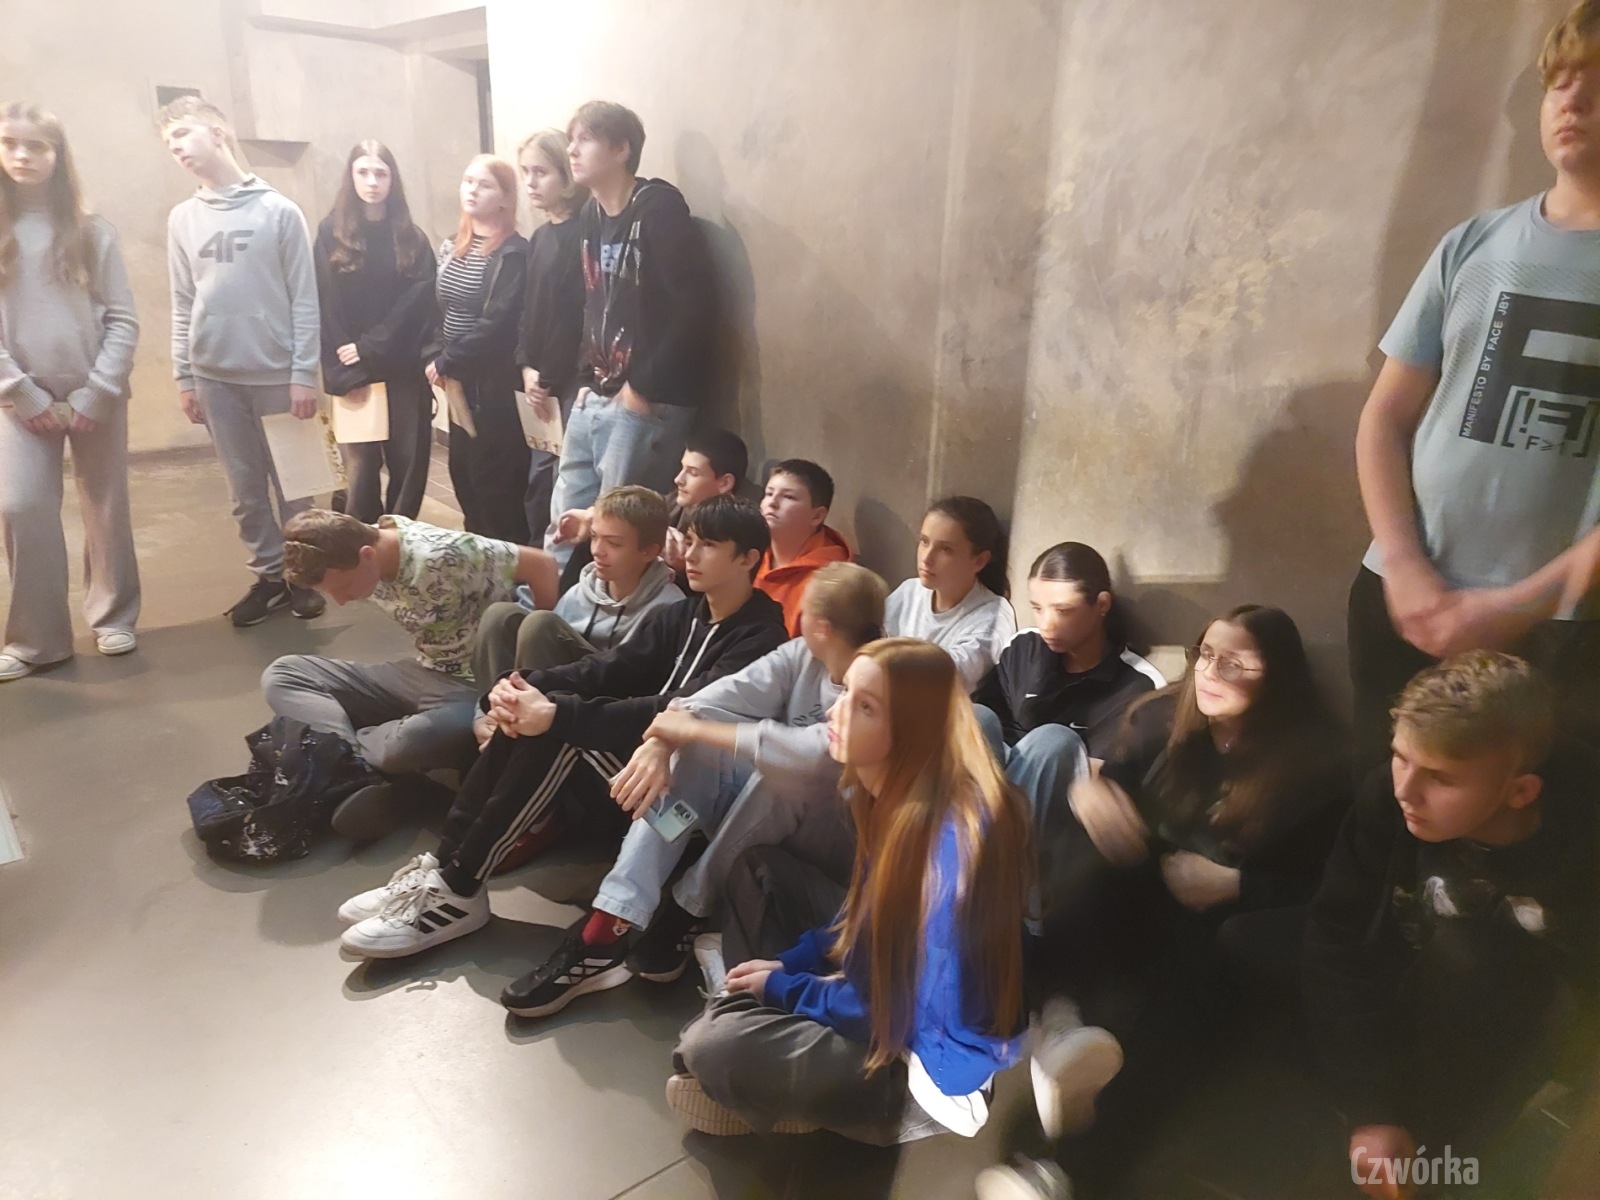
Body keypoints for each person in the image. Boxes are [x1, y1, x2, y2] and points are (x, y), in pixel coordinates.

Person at [979, 605, 1350, 1200]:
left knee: (1182, 1001)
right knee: (1093, 864)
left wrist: (1238, 885)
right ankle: (1059, 1023)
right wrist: (1094, 794)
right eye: (1206, 654)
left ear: (1277, 676)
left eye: (1235, 663)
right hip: (1148, 894)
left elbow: (1333, 892)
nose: (1211, 672)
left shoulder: (1315, 768)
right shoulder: (1164, 719)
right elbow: (1119, 790)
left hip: (1226, 923)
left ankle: (1066, 1168)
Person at [335, 495, 788, 959]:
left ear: (748, 558)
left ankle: (460, 886)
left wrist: (556, 713)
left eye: (708, 545)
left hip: (688, 812)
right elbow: (611, 669)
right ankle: (444, 865)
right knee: (531, 718)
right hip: (641, 776)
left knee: (555, 730)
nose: (690, 555)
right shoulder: (684, 615)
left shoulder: (763, 638)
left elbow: (682, 708)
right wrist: (520, 684)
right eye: (688, 541)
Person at [1348, 0, 1600, 765]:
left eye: (1598, 83)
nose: (1571, 101)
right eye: (1560, 81)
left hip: (1560, 630)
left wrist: (1520, 607)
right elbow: (1385, 419)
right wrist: (1406, 570)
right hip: (1402, 597)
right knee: (1386, 811)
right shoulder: (1474, 243)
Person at [666, 638, 1031, 1146]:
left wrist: (784, 988)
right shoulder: (894, 794)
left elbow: (884, 1013)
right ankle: (761, 1049)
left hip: (917, 1062)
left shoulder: (946, 853)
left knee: (710, 1045)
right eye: (845, 694)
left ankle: (777, 1064)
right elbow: (860, 922)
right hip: (874, 986)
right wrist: (789, 964)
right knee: (758, 870)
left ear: (909, 729)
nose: (835, 712)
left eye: (865, 706)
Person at [499, 562, 888, 1019]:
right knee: (697, 755)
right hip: (762, 819)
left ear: (819, 625)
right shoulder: (802, 655)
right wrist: (665, 740)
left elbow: (815, 757)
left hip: (836, 843)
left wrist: (689, 729)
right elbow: (722, 695)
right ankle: (612, 921)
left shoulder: (879, 679)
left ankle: (687, 910)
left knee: (778, 774)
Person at [1304, 652, 1598, 1199]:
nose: (1405, 790)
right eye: (1400, 758)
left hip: (1523, 1031)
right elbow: (1335, 933)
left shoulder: (1585, 839)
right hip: (1401, 995)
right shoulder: (1388, 796)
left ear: (1520, 792)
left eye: (1440, 778)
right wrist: (1371, 1105)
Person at [262, 509, 560, 841]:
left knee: (406, 745)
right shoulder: (357, 544)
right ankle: (358, 767)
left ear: (367, 555)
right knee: (284, 674)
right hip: (424, 670)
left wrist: (533, 669)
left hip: (478, 687)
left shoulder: (445, 553)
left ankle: (338, 752)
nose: (341, 602)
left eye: (343, 587)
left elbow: (542, 564)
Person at [159, 96, 325, 627]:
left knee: (296, 486)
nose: (176, 147)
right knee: (245, 491)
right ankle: (270, 577)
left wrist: (304, 373)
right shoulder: (183, 219)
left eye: (183, 134)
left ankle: (303, 576)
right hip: (215, 376)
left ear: (218, 133)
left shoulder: (279, 212)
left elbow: (304, 300)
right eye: (168, 142)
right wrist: (185, 375)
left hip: (277, 374)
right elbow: (183, 300)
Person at [0, 102, 139, 683]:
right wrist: (19, 392)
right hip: (18, 399)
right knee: (22, 506)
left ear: (58, 156)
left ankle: (113, 614)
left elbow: (123, 319)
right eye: (10, 144)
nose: (22, 156)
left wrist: (99, 391)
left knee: (105, 505)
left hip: (94, 393)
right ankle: (37, 639)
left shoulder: (91, 231)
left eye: (37, 146)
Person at [544, 100, 715, 568]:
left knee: (618, 529)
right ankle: (548, 603)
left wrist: (642, 386)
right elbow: (593, 301)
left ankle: (605, 610)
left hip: (647, 398)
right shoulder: (591, 215)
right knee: (565, 520)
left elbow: (693, 308)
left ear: (621, 149)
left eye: (584, 139)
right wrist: (584, 377)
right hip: (597, 391)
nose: (572, 150)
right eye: (571, 139)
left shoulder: (657, 209)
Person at [972, 542, 1164, 843]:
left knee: (1053, 741)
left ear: (1101, 605)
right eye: (1037, 608)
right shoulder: (1024, 647)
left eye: (1063, 610)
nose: (1046, 624)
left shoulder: (1137, 684)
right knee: (976, 716)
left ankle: (994, 854)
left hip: (1052, 817)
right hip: (989, 789)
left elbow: (1097, 782)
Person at [314, 140, 436, 524]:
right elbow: (326, 305)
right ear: (350, 178)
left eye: (380, 173)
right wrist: (345, 371)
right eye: (363, 172)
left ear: (392, 179)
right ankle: (362, 543)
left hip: (402, 368)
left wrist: (371, 345)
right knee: (360, 471)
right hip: (353, 369)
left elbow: (417, 303)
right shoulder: (330, 233)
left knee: (408, 464)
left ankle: (398, 540)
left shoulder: (413, 238)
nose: (372, 182)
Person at [472, 485, 683, 686]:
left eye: (613, 543)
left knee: (540, 624)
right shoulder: (582, 589)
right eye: (594, 537)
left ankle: (527, 708)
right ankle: (492, 706)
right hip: (568, 680)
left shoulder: (668, 608)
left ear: (649, 552)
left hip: (604, 696)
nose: (597, 551)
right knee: (500, 615)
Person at [426, 154, 530, 543]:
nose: (472, 190)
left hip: (491, 384)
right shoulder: (452, 245)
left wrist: (448, 359)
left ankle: (505, 561)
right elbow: (439, 308)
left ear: (504, 197)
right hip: (457, 381)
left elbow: (497, 323)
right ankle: (476, 555)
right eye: (468, 181)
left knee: (494, 484)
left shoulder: (514, 252)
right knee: (463, 475)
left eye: (484, 185)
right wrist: (436, 354)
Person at [552, 426, 749, 588]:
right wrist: (591, 517)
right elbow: (631, 512)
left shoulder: (735, 524)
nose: (678, 479)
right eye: (682, 468)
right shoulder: (674, 503)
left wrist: (683, 561)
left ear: (724, 483)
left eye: (693, 473)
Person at [514, 128, 588, 540]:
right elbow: (529, 311)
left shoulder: (583, 234)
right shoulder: (541, 236)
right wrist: (526, 367)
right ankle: (535, 561)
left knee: (565, 485)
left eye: (540, 172)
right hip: (539, 378)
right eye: (525, 172)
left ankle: (556, 568)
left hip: (570, 379)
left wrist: (548, 378)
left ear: (567, 174)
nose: (530, 182)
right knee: (538, 483)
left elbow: (575, 319)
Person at [884, 496, 1017, 691]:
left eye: (945, 549)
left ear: (979, 561)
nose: (926, 558)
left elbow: (948, 676)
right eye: (924, 541)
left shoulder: (994, 615)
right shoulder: (909, 591)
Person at [755, 459, 852, 635]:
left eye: (788, 497)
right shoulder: (748, 552)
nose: (772, 503)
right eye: (768, 493)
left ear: (817, 516)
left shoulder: (831, 581)